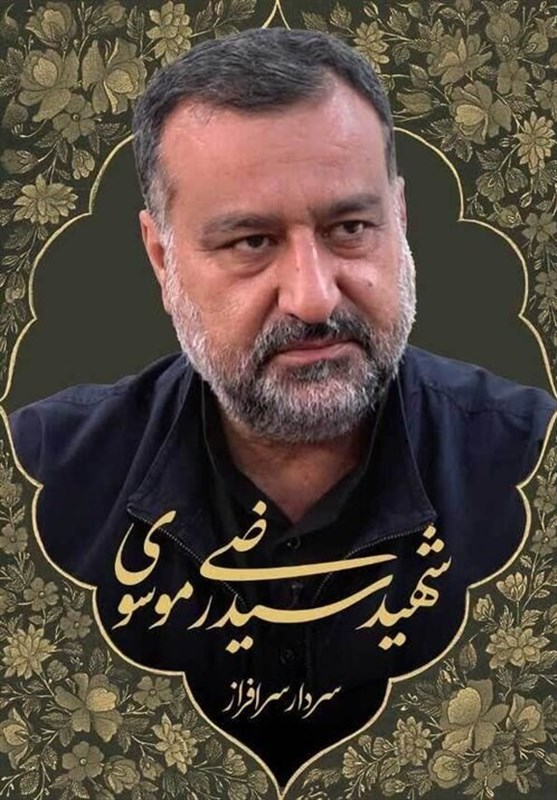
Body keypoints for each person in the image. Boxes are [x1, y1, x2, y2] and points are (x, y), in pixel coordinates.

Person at [8, 28, 556, 786]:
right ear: (161, 257)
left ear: (401, 219)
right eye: (251, 241)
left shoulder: (535, 463)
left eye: (350, 229)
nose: (312, 297)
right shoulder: (34, 481)